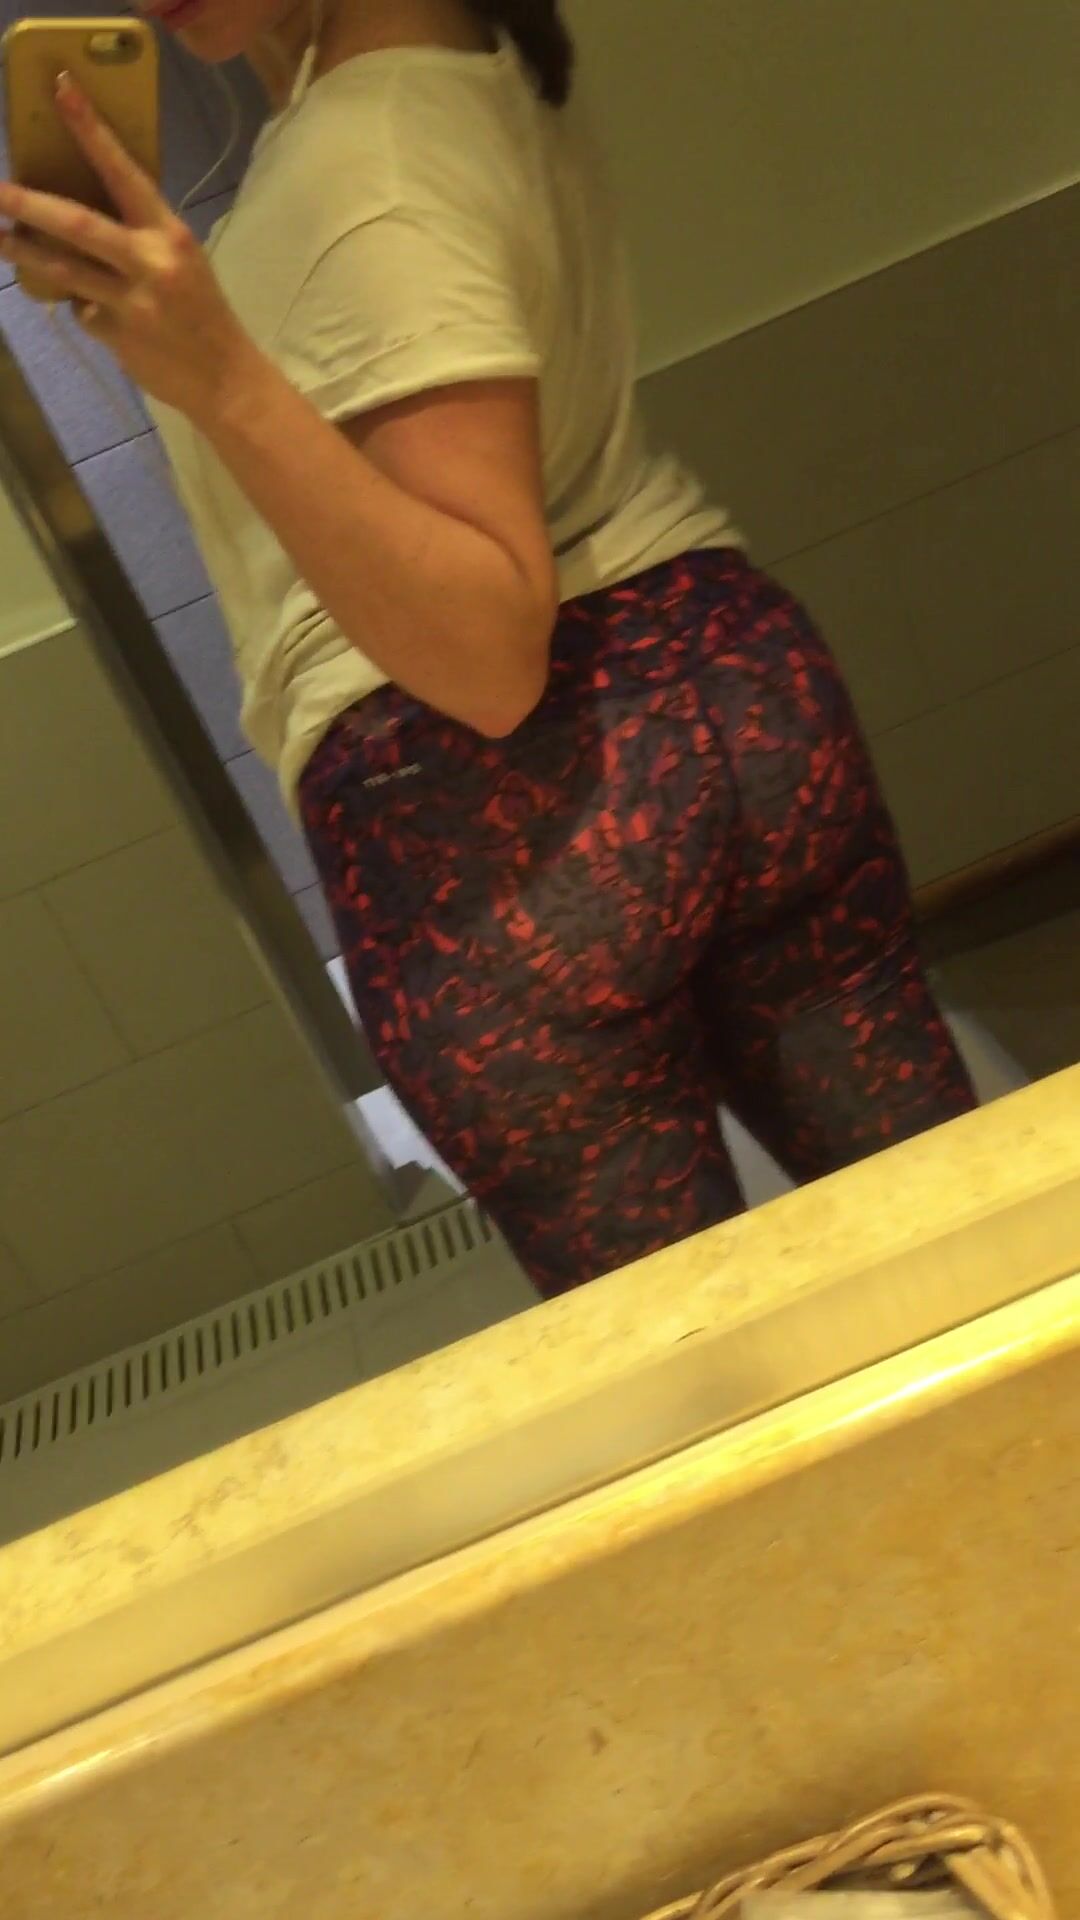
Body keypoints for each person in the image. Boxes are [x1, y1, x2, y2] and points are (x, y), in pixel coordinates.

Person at [0, 0, 976, 1299]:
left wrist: (220, 376)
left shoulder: (357, 155)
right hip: (737, 693)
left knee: (693, 1353)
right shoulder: (472, 68)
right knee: (965, 1252)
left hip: (496, 822)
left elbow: (486, 655)